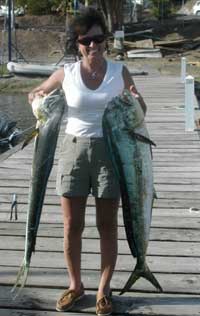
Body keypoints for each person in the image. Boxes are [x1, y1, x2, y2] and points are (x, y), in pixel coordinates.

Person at [28, 7, 147, 316]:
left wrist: (135, 100)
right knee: (71, 226)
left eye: (99, 39)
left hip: (112, 151)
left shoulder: (119, 71)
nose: (93, 46)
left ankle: (103, 289)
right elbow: (39, 92)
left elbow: (140, 109)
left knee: (107, 225)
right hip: (73, 150)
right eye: (86, 40)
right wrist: (36, 96)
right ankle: (75, 285)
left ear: (106, 40)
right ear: (77, 42)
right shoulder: (66, 73)